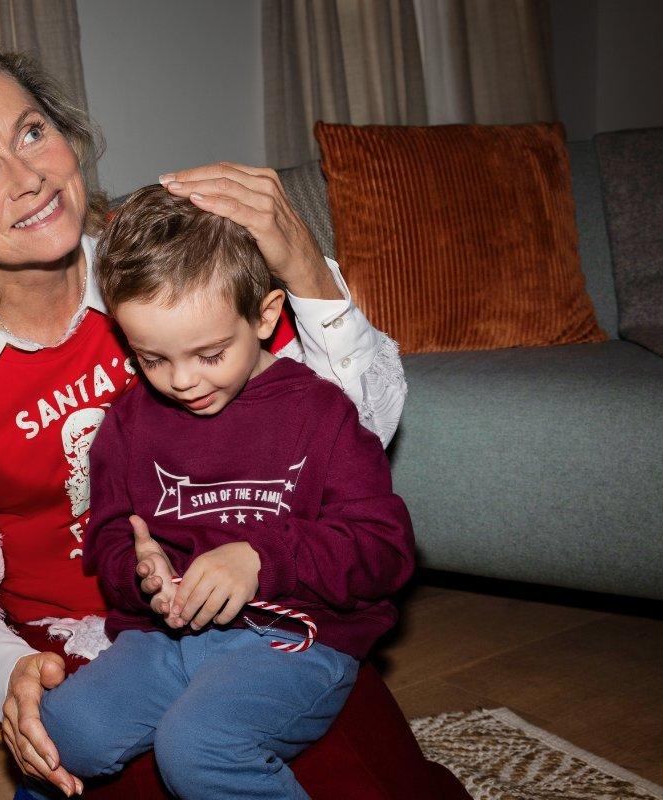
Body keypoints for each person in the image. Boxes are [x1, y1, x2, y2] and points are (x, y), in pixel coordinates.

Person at [0, 37, 408, 799]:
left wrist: (305, 265)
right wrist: (6, 675)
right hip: (77, 640)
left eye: (31, 132)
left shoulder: (171, 283)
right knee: (120, 755)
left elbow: (354, 432)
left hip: (268, 603)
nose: (29, 177)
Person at [34, 185, 416, 799]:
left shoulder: (322, 412)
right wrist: (141, 571)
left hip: (298, 637)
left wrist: (261, 558)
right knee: (67, 730)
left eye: (210, 354)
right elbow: (108, 534)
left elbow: (386, 550)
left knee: (197, 747)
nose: (183, 381)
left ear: (264, 317)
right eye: (152, 359)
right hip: (169, 637)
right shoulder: (129, 423)